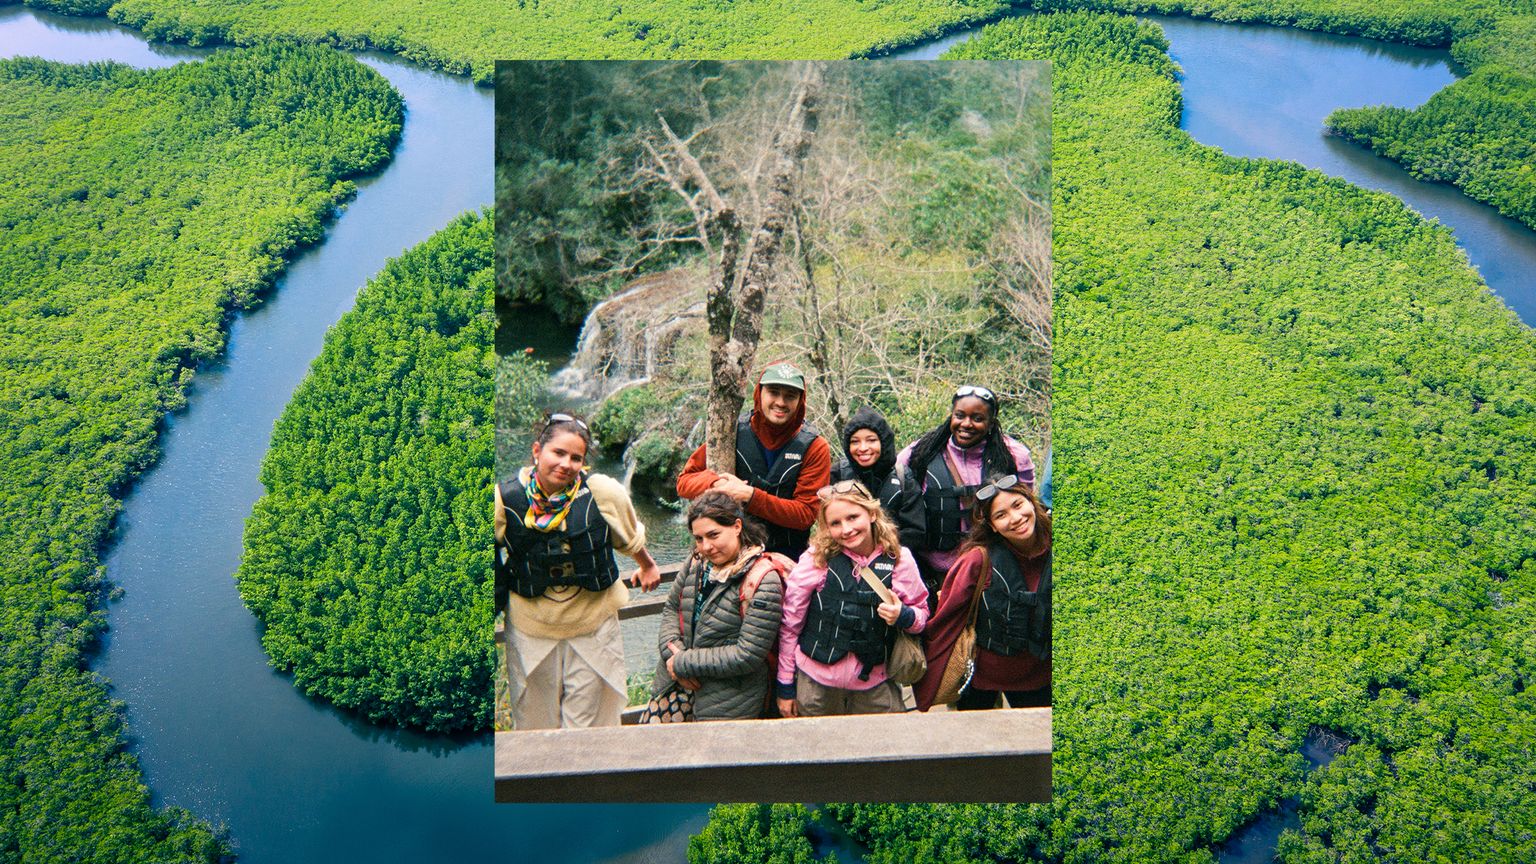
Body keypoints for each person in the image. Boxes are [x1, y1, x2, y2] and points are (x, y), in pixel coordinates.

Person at [494, 412, 661, 729]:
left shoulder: (602, 492)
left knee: (589, 726)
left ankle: (587, 780)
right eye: (558, 453)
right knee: (534, 723)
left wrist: (648, 566)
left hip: (593, 626)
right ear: (536, 451)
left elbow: (629, 538)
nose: (566, 464)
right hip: (532, 630)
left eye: (576, 458)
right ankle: (540, 780)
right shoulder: (504, 499)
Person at [776, 480, 929, 717]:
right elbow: (791, 624)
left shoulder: (899, 559)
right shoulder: (816, 560)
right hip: (816, 685)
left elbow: (921, 615)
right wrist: (785, 685)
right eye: (835, 523)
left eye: (853, 517)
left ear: (871, 513)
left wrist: (903, 615)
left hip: (875, 686)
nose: (846, 529)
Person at [914, 474, 1051, 711]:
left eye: (1018, 505)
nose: (1016, 518)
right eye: (1001, 515)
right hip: (982, 677)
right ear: (992, 527)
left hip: (1041, 676)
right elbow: (947, 618)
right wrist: (930, 677)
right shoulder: (978, 560)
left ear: (1031, 501)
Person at [650, 492, 789, 721]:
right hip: (675, 686)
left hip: (729, 701)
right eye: (699, 538)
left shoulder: (763, 580)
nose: (706, 546)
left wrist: (684, 663)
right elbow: (671, 609)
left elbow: (748, 654)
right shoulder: (696, 562)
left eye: (714, 535)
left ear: (736, 526)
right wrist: (674, 658)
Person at [676, 361, 832, 560]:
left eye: (790, 396)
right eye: (773, 392)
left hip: (787, 556)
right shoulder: (732, 433)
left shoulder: (814, 447)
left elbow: (806, 514)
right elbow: (684, 482)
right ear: (759, 393)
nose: (781, 402)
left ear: (801, 400)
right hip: (732, 554)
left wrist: (750, 496)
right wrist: (716, 483)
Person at [896, 384, 1035, 601]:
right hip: (932, 571)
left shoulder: (1014, 456)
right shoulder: (918, 454)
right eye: (959, 415)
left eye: (978, 418)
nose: (966, 424)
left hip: (991, 570)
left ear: (991, 423)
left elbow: (1028, 505)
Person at [830, 405, 925, 551]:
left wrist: (875, 550)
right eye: (855, 441)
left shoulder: (903, 479)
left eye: (871, 440)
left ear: (884, 442)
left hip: (892, 560)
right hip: (846, 559)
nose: (863, 448)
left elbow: (915, 533)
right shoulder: (838, 475)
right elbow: (827, 525)